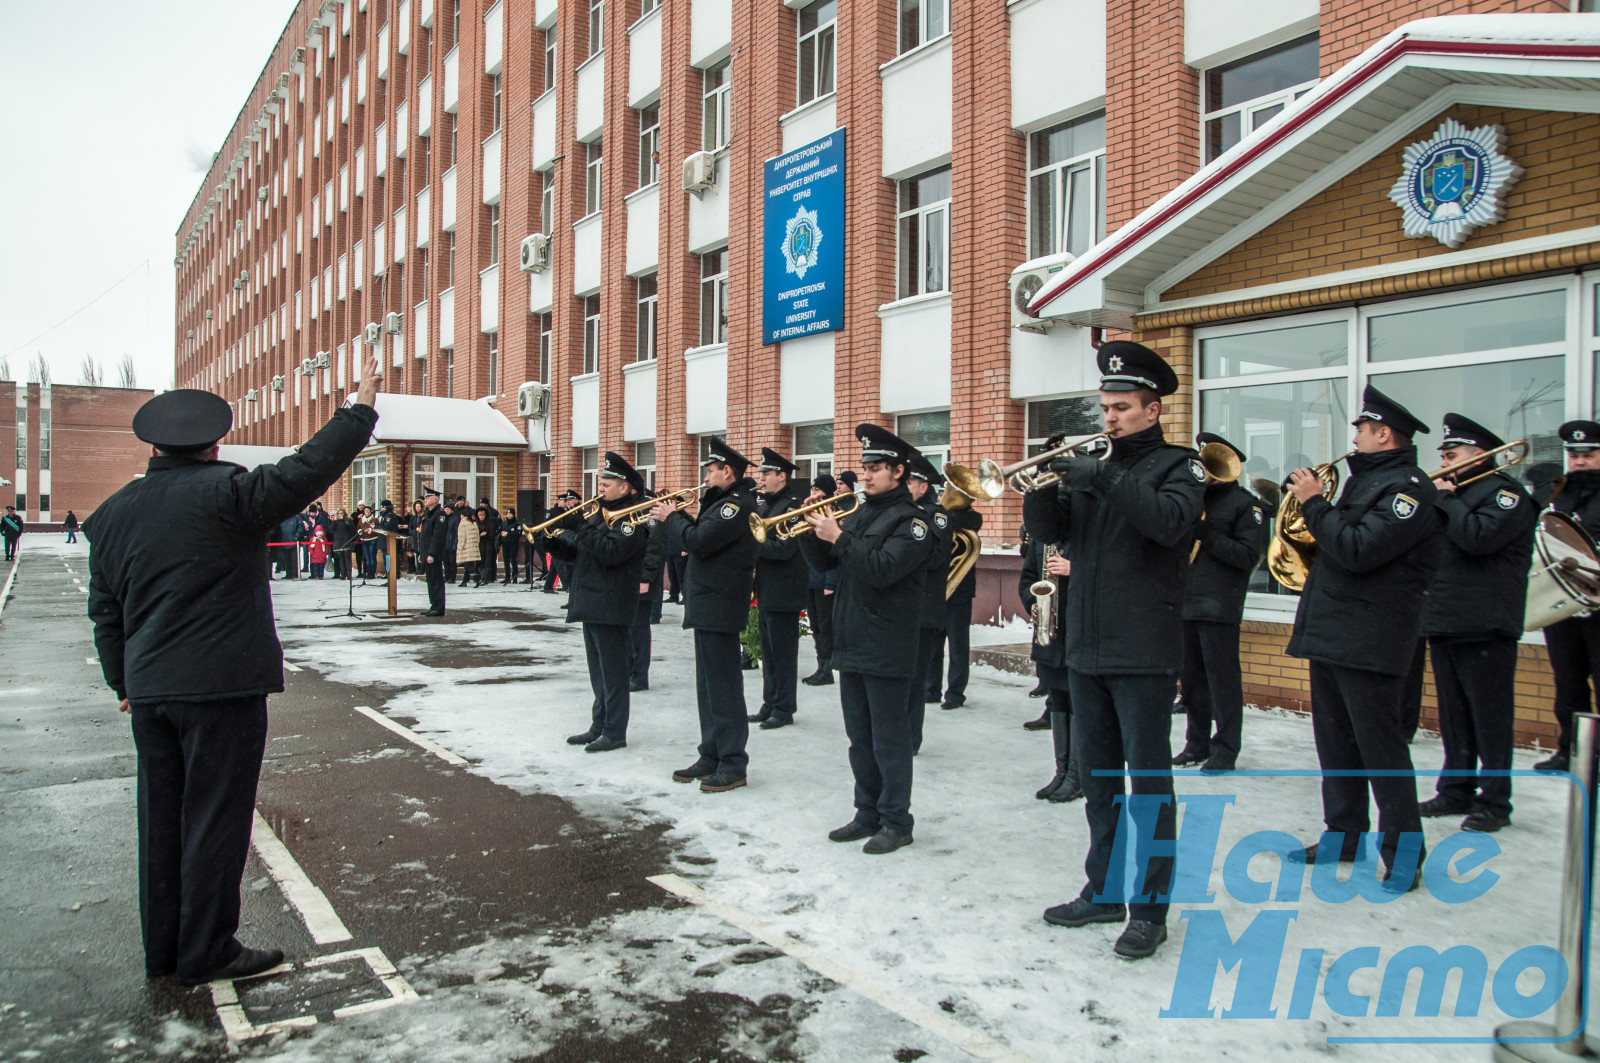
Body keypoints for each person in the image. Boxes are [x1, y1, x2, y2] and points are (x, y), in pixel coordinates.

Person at [84, 357, 380, 987]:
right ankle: (209, 949)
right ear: (215, 443)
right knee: (216, 819)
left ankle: (164, 951)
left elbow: (105, 612)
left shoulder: (111, 513)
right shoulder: (230, 494)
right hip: (221, 687)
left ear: (155, 444)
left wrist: (124, 684)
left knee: (160, 820)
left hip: (152, 693)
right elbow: (309, 468)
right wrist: (358, 408)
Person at [1025, 341, 1203, 960]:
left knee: (1149, 785)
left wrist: (1105, 475)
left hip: (1144, 651)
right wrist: (1039, 487)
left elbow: (1169, 525)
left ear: (1153, 411)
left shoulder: (1181, 468)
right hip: (1088, 649)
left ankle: (1150, 910)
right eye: (1104, 408)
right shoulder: (1094, 466)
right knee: (1101, 784)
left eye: (1122, 408)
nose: (1110, 419)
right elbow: (1053, 533)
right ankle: (1103, 890)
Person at [1283, 383, 1442, 893]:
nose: (1354, 437)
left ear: (1383, 433)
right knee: (1335, 744)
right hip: (1334, 630)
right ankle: (1343, 834)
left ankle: (1403, 853)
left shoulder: (1408, 490)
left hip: (1370, 637)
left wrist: (1313, 503)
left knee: (1382, 749)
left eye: (1361, 429)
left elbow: (1355, 549)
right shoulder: (1365, 483)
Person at [799, 424, 933, 854]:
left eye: (875, 468)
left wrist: (839, 535)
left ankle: (897, 820)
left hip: (888, 642)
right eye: (864, 468)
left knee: (889, 738)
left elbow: (881, 569)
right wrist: (810, 529)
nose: (866, 476)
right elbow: (828, 563)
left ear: (898, 471)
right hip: (853, 639)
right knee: (859, 737)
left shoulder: (913, 523)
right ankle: (867, 812)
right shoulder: (860, 514)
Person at [1410, 413, 1535, 833]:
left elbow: (1478, 538)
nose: (1445, 460)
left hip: (1486, 622)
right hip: (1445, 618)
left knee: (1490, 718)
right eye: (1443, 453)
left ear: (1481, 455)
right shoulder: (1455, 496)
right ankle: (1456, 788)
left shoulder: (1506, 495)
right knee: (1454, 715)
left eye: (1453, 452)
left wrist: (1445, 498)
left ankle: (1495, 801)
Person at [651, 438, 758, 793]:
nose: (706, 477)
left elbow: (698, 541)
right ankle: (711, 753)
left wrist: (672, 517)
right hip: (708, 601)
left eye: (710, 470)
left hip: (721, 602)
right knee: (708, 684)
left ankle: (732, 761)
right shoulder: (722, 502)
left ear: (727, 471)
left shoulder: (737, 505)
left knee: (724, 686)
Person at [1172, 432, 1267, 773]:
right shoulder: (1195, 498)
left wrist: (1208, 536)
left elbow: (1248, 556)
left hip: (1220, 606)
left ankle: (1225, 748)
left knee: (1222, 682)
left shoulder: (1245, 505)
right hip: (1187, 602)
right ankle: (1195, 744)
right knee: (1193, 683)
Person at [549, 453, 650, 752]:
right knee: (598, 672)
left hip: (611, 603)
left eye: (606, 483)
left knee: (614, 673)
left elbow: (610, 552)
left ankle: (615, 731)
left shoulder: (632, 518)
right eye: (600, 483)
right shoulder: (598, 515)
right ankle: (599, 725)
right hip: (592, 600)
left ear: (625, 487)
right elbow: (583, 551)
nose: (601, 488)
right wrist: (552, 543)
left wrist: (581, 526)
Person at [1535, 420, 1600, 772]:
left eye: (1588, 455)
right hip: (1563, 602)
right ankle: (1569, 749)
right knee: (1568, 680)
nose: (1579, 462)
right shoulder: (1560, 493)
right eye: (1574, 456)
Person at [1020, 438, 1081, 803]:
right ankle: (1061, 771)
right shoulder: (1045, 534)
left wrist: (1075, 570)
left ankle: (1078, 774)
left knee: (1079, 703)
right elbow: (1028, 577)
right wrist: (1036, 604)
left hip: (1079, 630)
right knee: (1058, 700)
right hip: (1051, 633)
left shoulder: (1084, 529)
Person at [750, 448, 809, 730]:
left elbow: (786, 550)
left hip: (785, 590)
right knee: (768, 652)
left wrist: (754, 546)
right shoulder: (766, 506)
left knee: (783, 654)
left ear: (781, 476)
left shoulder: (793, 508)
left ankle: (784, 708)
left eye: (766, 473)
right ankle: (770, 702)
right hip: (766, 589)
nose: (760, 477)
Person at [903, 452, 952, 754]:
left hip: (923, 607)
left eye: (909, 480)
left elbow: (934, 558)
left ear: (923, 487)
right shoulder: (904, 511)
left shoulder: (936, 515)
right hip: (902, 607)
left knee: (914, 679)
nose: (903, 485)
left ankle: (910, 739)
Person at [929, 467, 983, 710]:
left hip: (959, 591)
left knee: (958, 646)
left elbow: (971, 521)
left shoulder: (968, 518)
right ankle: (930, 689)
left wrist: (941, 517)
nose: (943, 495)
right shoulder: (938, 516)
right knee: (932, 645)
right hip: (935, 591)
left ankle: (955, 694)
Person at [801, 474, 839, 686]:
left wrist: (830, 583)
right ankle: (821, 666)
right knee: (815, 626)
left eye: (817, 489)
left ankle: (827, 669)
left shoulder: (834, 513)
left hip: (825, 581)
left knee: (825, 627)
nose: (814, 493)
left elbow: (834, 553)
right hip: (812, 579)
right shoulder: (816, 511)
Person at [630, 494, 667, 691]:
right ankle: (629, 671)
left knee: (638, 630)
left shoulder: (650, 508)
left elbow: (655, 546)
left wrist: (646, 577)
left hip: (642, 579)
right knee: (628, 629)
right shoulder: (627, 507)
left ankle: (639, 676)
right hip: (626, 578)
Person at [416, 488, 448, 616]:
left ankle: (438, 607)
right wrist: (422, 553)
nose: (425, 500)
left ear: (435, 499)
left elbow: (437, 536)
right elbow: (425, 535)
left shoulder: (439, 514)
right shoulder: (429, 513)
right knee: (430, 580)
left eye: (427, 498)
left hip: (434, 554)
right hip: (427, 553)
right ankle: (433, 605)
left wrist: (432, 554)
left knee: (436, 580)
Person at [456, 507, 481, 587]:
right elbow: (478, 537)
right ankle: (464, 581)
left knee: (468, 566)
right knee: (468, 565)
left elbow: (462, 537)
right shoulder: (474, 523)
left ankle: (477, 578)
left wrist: (460, 547)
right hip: (473, 548)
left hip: (466, 548)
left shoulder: (463, 524)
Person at [478, 497, 501, 583]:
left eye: (482, 503)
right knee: (486, 559)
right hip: (484, 540)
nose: (481, 505)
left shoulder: (493, 513)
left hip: (491, 539)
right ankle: (487, 577)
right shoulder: (483, 512)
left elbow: (499, 524)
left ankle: (489, 577)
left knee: (489, 559)